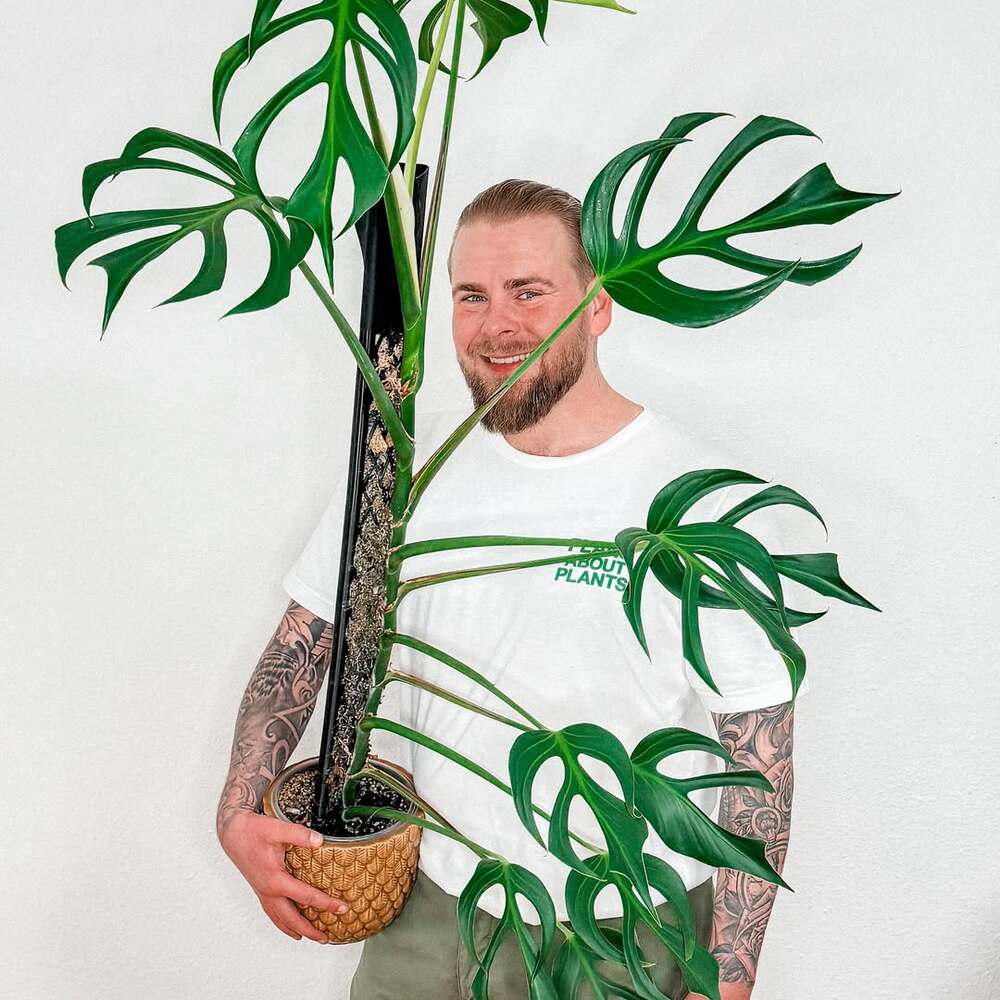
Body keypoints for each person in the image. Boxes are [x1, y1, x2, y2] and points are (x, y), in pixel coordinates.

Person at [217, 180, 809, 1000]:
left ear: (599, 304)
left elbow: (759, 761)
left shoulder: (699, 503)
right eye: (470, 295)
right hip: (428, 912)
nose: (496, 324)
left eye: (529, 291)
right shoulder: (406, 476)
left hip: (616, 934)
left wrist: (730, 980)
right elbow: (300, 644)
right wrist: (239, 811)